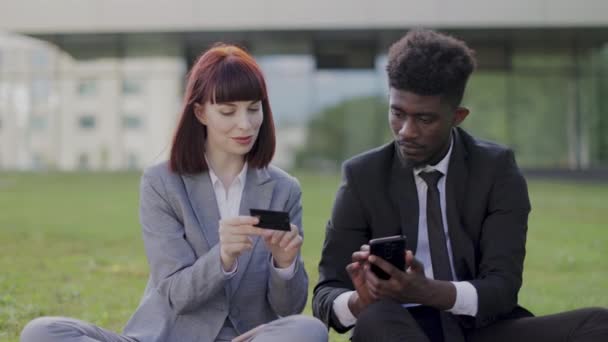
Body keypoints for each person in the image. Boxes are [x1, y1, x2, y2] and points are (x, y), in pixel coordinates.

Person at [312, 29, 608, 342]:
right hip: (398, 328)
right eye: (397, 113)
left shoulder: (496, 170)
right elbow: (325, 295)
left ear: (458, 116)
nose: (406, 131)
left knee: (598, 325)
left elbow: (502, 289)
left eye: (425, 119)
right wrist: (361, 300)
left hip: (479, 329)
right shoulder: (362, 176)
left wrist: (428, 291)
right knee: (377, 317)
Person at [21, 44, 328, 342]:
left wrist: (285, 265)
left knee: (308, 330)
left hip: (245, 337)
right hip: (166, 336)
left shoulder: (283, 189)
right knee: (43, 332)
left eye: (253, 109)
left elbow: (288, 308)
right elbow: (175, 295)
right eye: (227, 111)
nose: (244, 124)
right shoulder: (162, 183)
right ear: (200, 113)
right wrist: (222, 257)